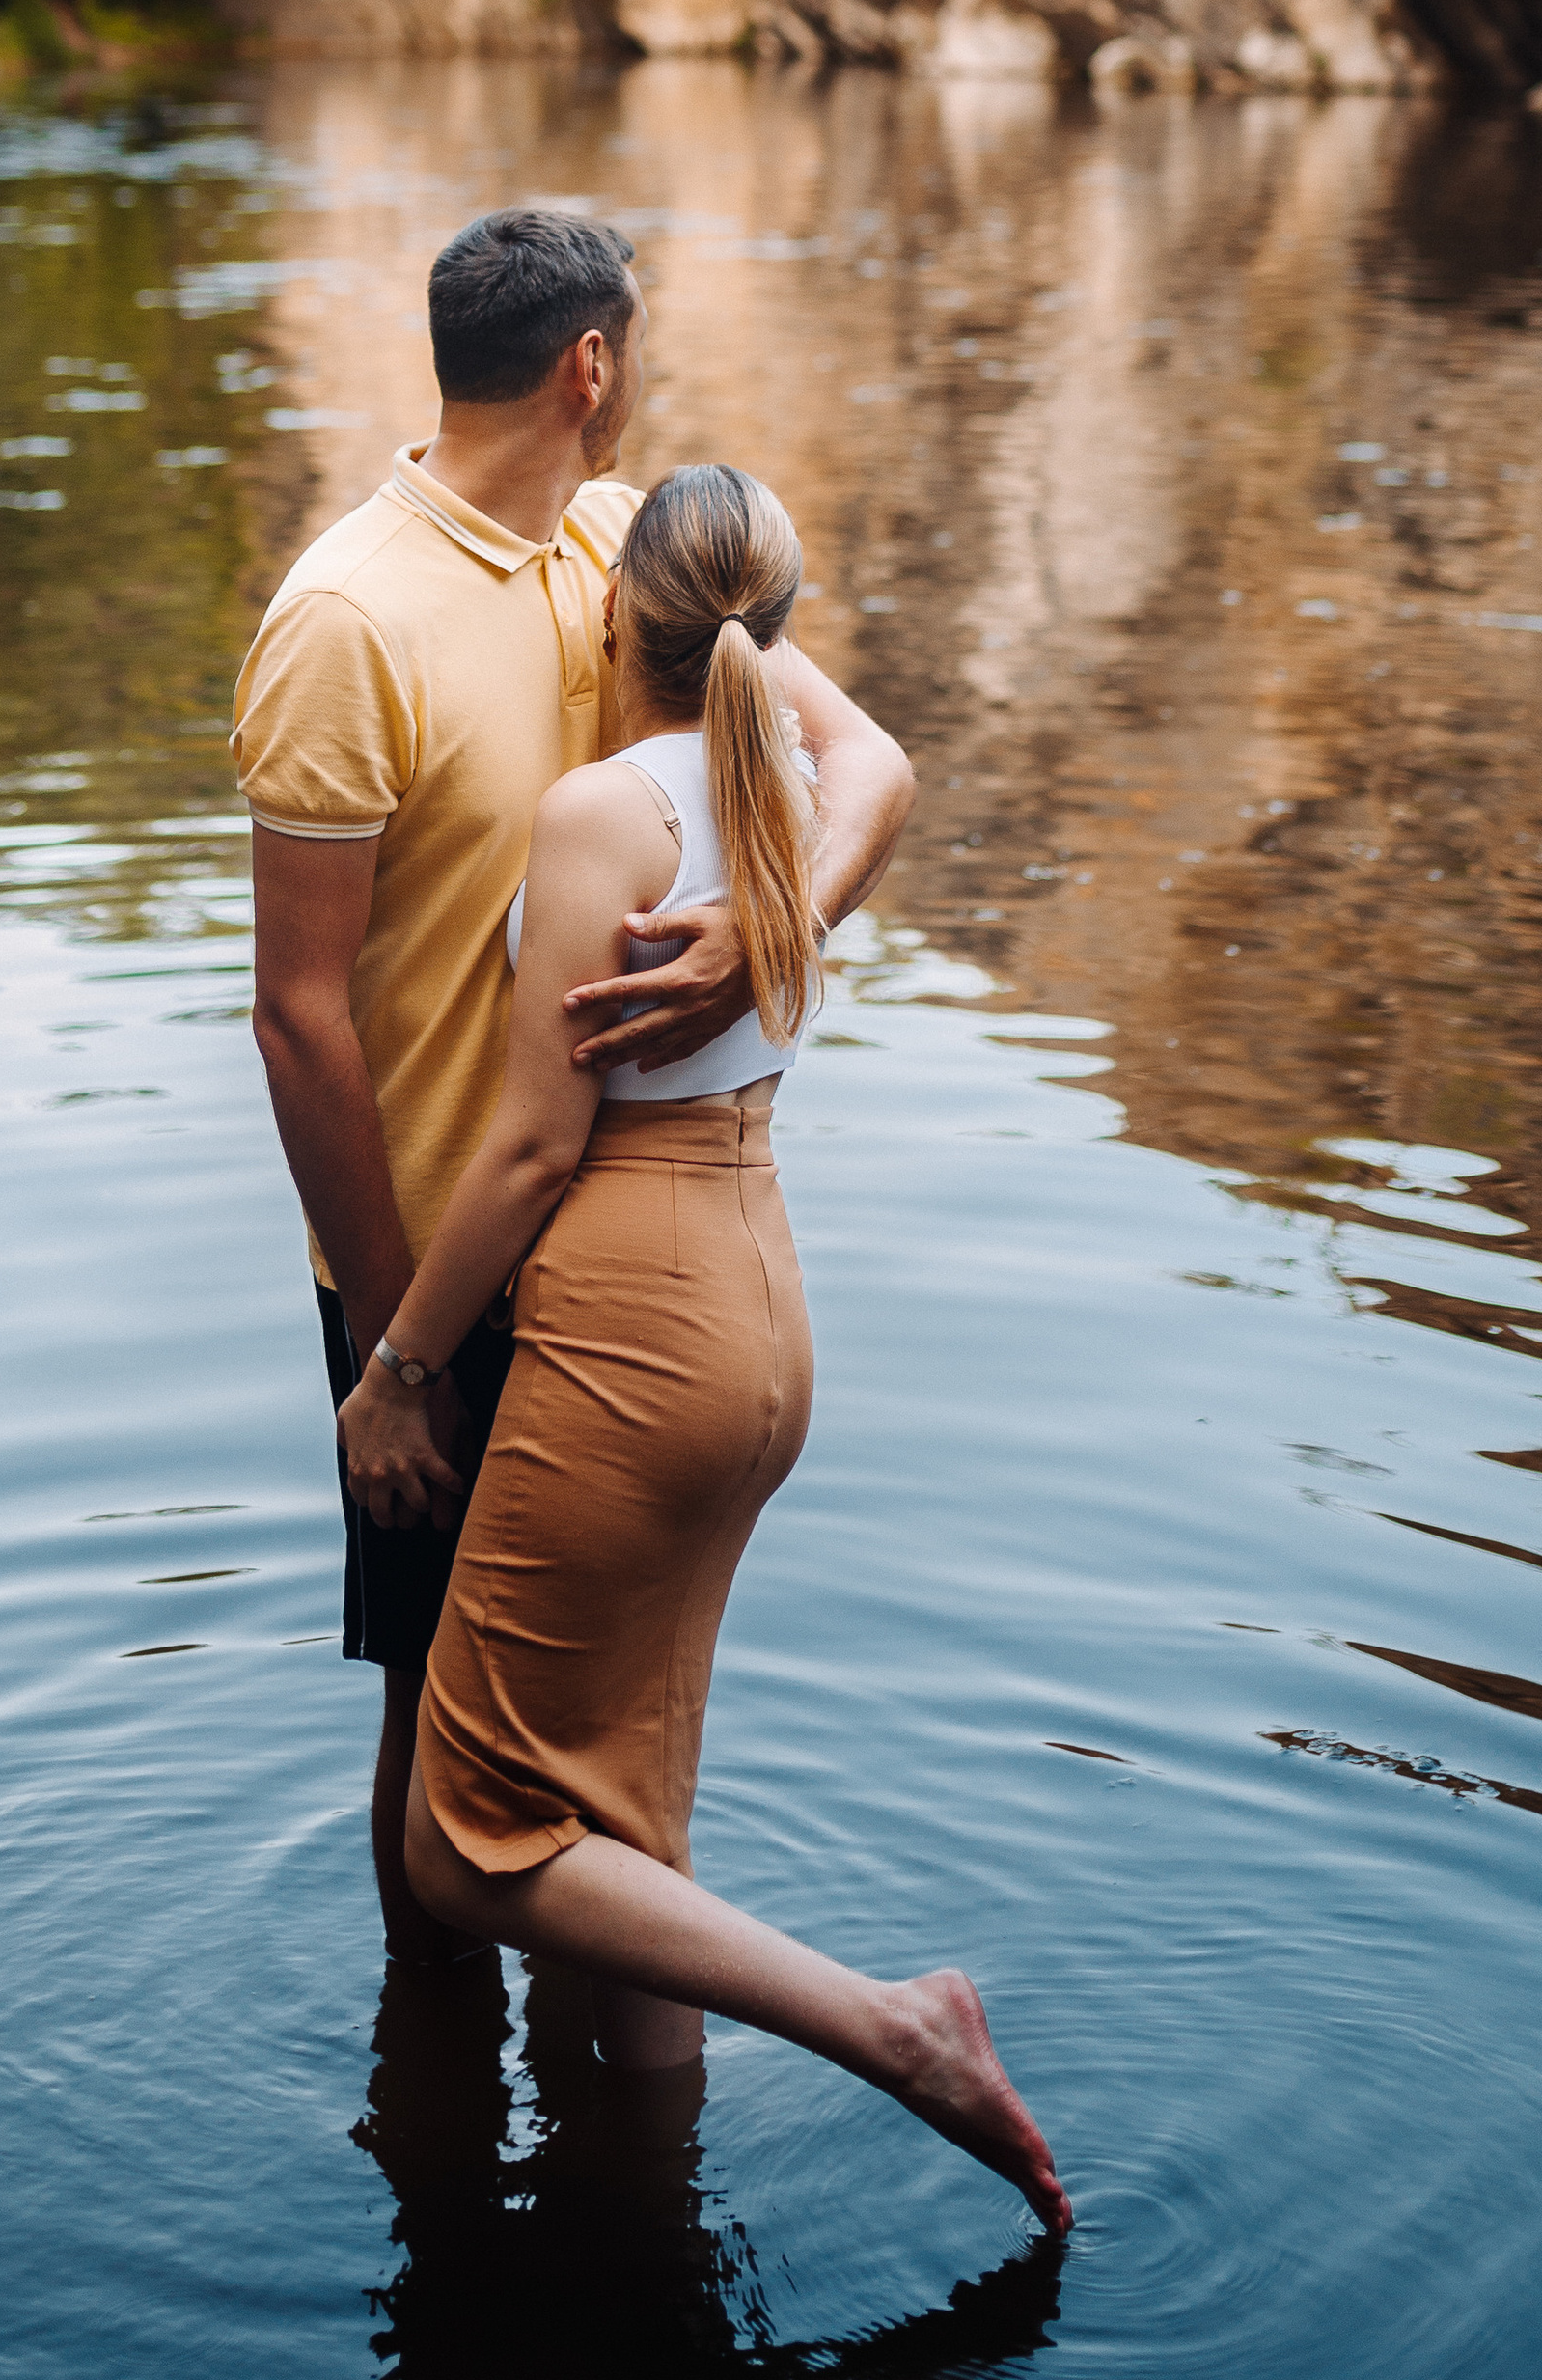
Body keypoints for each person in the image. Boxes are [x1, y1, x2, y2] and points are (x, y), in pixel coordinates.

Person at [337, 464, 1071, 2231]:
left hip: (634, 1314)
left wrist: (401, 1366)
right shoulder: (788, 784)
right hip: (757, 1296)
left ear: (612, 620)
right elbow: (879, 763)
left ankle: (894, 2031)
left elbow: (526, 1146)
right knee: (624, 1802)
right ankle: (645, 2189)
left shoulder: (602, 813)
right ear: (778, 632)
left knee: (470, 1833)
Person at [236, 209, 915, 1961]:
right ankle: (449, 2136)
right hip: (439, 1269)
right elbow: (301, 1017)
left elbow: (870, 770)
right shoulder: (343, 622)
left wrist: (776, 930)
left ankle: (595, 2175)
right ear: (589, 367)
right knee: (437, 1737)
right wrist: (406, 1346)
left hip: (613, 1264)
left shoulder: (626, 546)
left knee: (599, 1745)